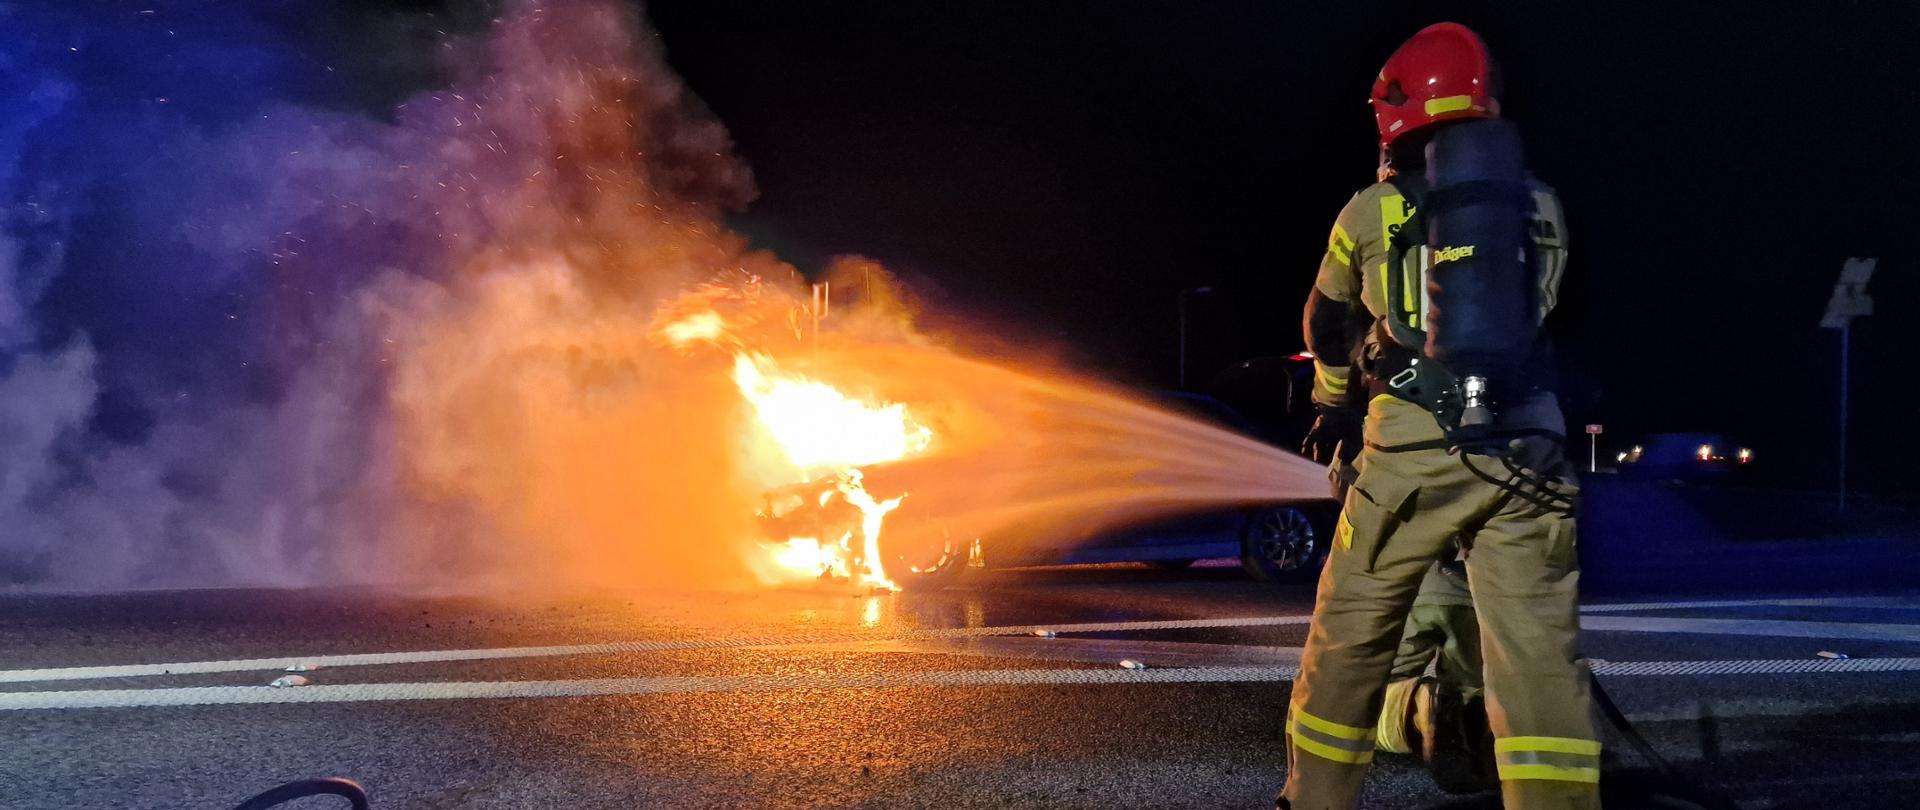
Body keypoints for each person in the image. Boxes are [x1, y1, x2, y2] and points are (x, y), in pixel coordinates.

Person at [1280, 21, 1597, 810]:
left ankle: (1314, 797)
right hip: (1530, 451)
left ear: (1397, 112)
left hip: (1415, 451)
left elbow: (1325, 320)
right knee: (1538, 660)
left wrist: (1331, 399)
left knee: (1350, 630)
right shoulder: (1543, 205)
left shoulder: (1372, 211)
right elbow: (1544, 316)